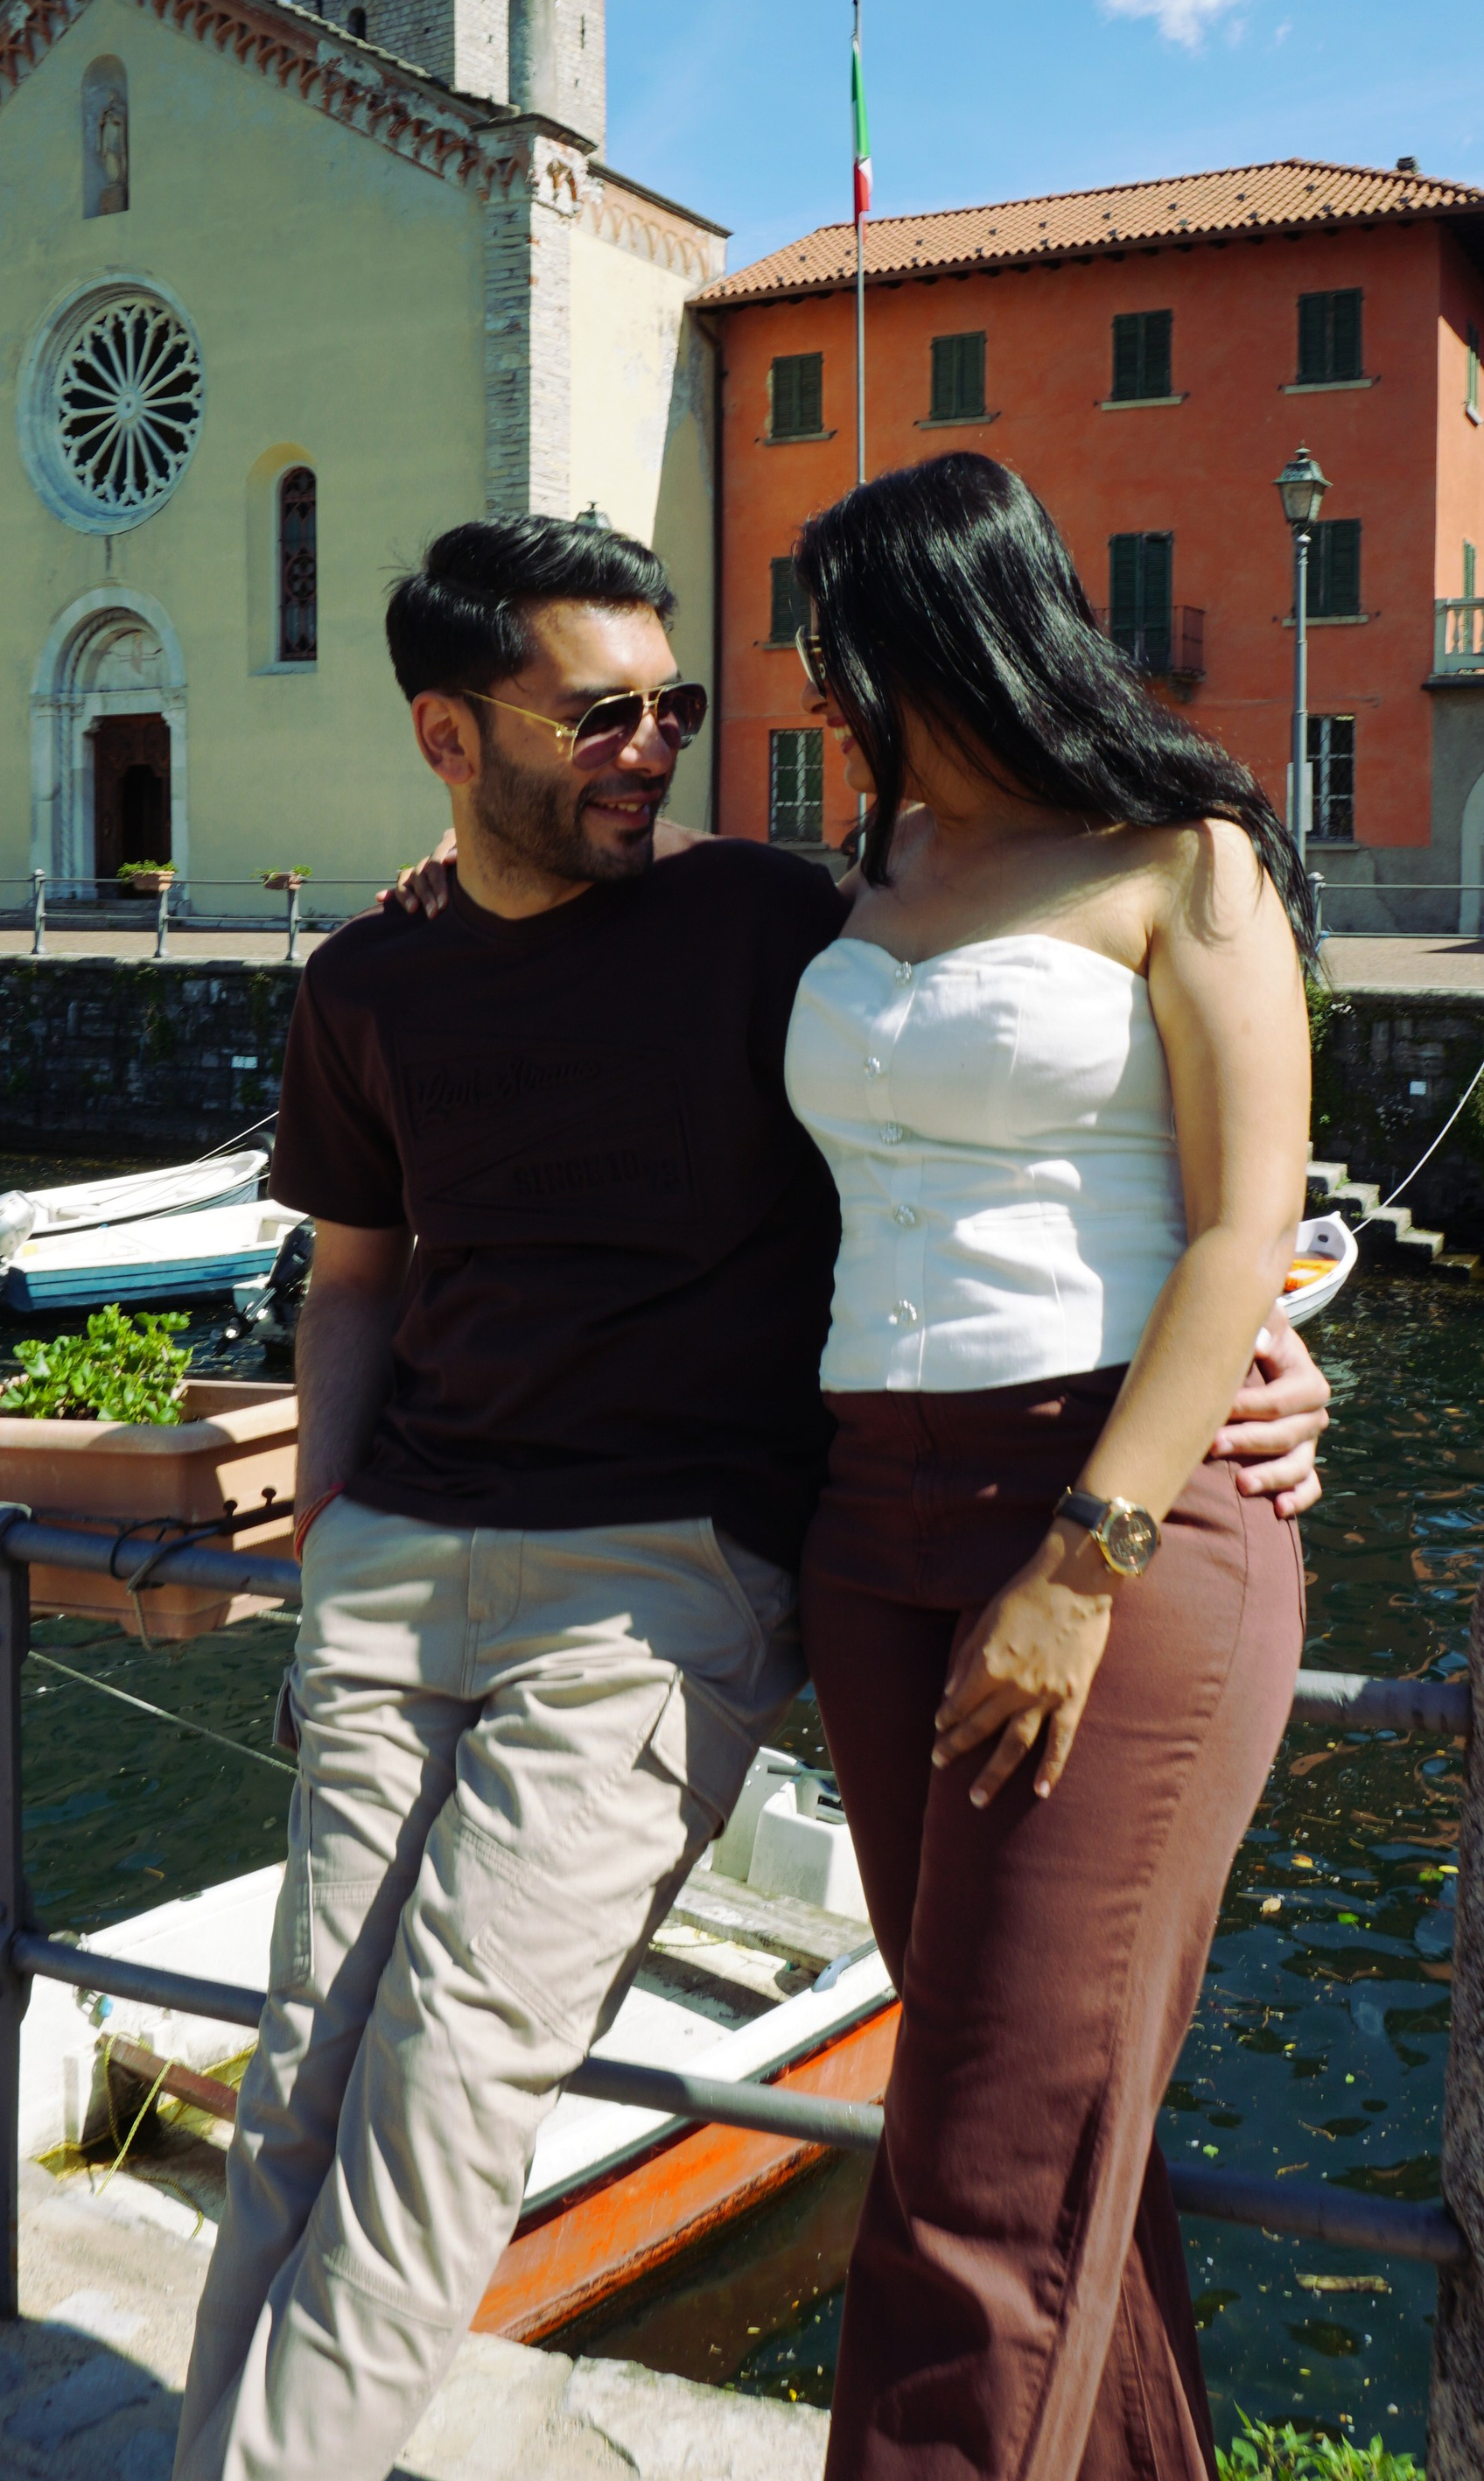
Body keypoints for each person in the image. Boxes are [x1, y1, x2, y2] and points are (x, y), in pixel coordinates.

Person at [174, 511, 1333, 2481]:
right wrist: (332, 1523)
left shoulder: (812, 908)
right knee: (312, 2081)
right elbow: (361, 1272)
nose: (675, 740)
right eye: (601, 715)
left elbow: (1207, 1186)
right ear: (451, 739)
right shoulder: (748, 906)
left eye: (683, 702)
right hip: (768, 1535)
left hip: (742, 1567)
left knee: (851, 2137)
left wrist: (1248, 1381)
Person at [783, 453, 1318, 2481]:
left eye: (842, 637)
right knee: (1012, 2121)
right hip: (868, 1513)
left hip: (1111, 1512)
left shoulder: (1181, 854)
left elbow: (1232, 1225)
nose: (820, 677)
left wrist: (1080, 1556)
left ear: (943, 629)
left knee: (977, 2184)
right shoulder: (863, 864)